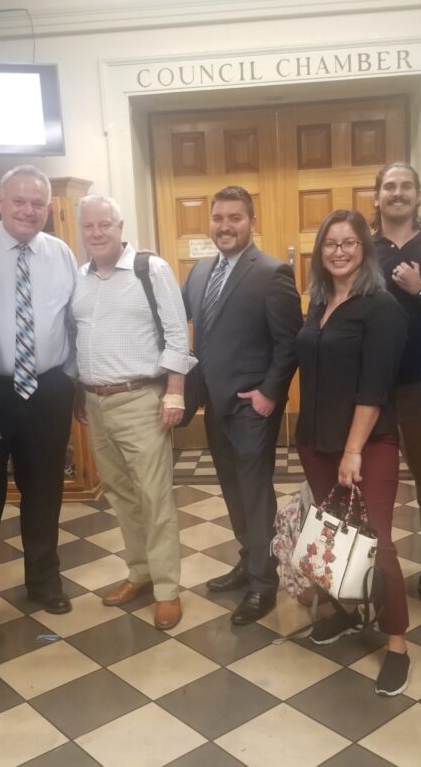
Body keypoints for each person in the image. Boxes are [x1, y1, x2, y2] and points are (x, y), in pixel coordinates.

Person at [0, 166, 80, 634]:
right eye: (19, 201)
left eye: (38, 204)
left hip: (47, 388)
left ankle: (44, 581)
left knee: (45, 491)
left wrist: (70, 380)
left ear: (48, 208)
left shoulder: (61, 253)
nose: (29, 211)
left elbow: (74, 319)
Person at [296, 209, 409, 695]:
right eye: (329, 244)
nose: (338, 251)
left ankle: (397, 646)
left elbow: (374, 387)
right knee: (335, 536)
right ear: (319, 253)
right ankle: (346, 613)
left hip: (367, 445)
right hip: (315, 443)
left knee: (377, 542)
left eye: (348, 243)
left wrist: (353, 451)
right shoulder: (319, 301)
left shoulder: (381, 307)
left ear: (364, 250)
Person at [71, 194, 195, 630]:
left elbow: (178, 335)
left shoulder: (150, 269)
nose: (98, 233)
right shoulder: (79, 277)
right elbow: (76, 338)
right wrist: (77, 394)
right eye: (89, 226)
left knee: (154, 497)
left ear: (120, 226)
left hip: (141, 398)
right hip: (94, 403)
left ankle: (167, 589)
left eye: (105, 224)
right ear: (80, 230)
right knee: (122, 496)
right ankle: (140, 572)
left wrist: (175, 392)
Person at [181, 186, 302, 624]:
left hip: (253, 408)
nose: (225, 225)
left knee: (254, 492)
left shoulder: (272, 273)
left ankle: (264, 582)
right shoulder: (198, 273)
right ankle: (249, 558)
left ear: (252, 222)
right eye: (218, 218)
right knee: (232, 489)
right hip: (213, 405)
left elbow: (290, 343)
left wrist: (270, 394)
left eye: (235, 217)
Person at [372, 161, 421, 594]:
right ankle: (367, 563)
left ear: (418, 196)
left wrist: (420, 291)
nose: (397, 193)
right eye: (389, 186)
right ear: (378, 196)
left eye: (405, 186)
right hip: (372, 390)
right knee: (367, 479)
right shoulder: (363, 250)